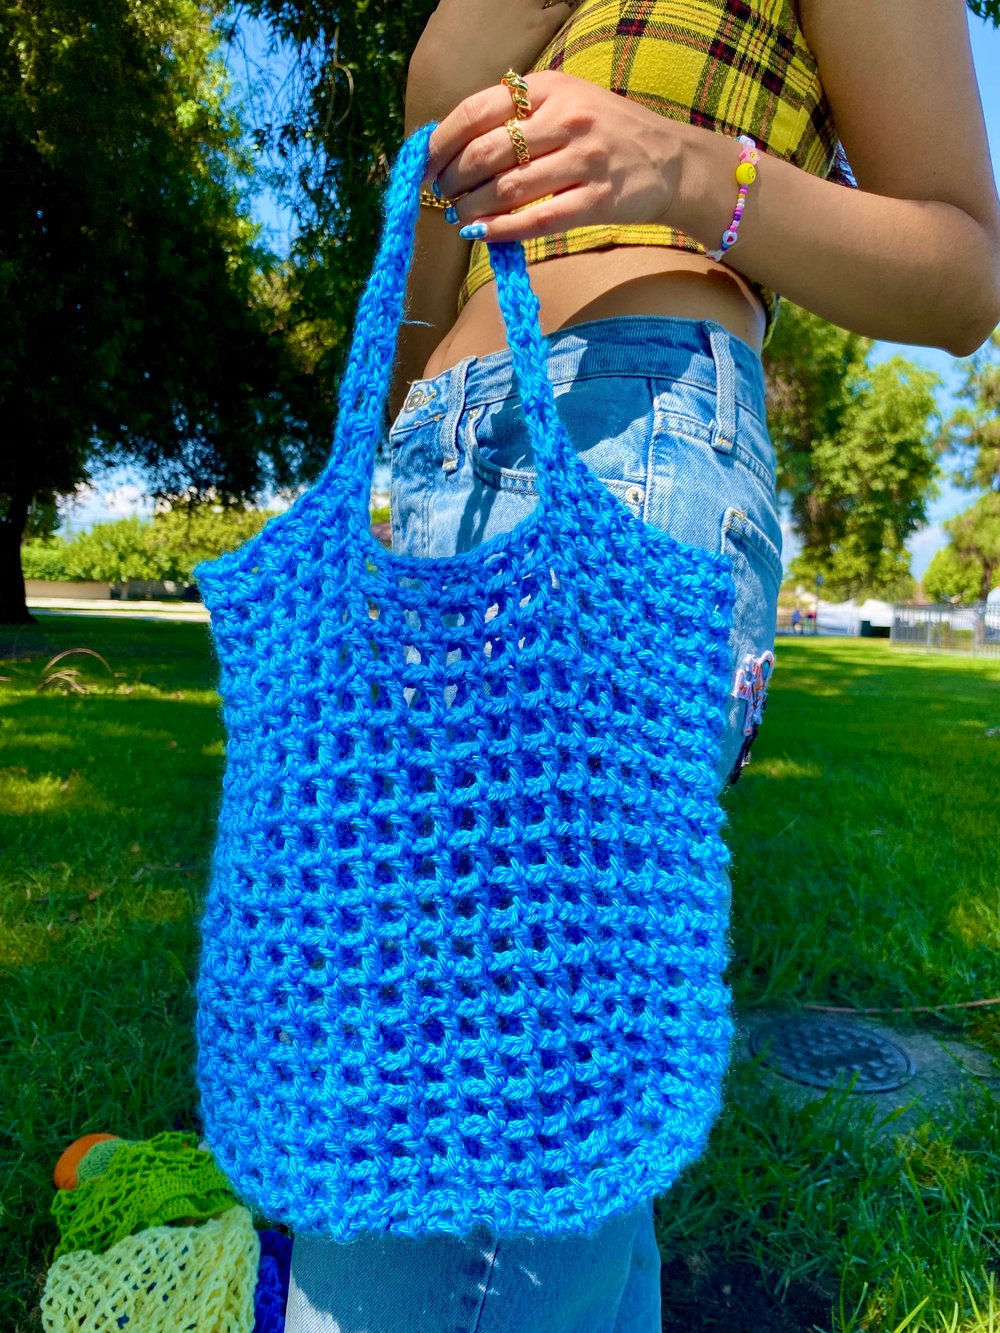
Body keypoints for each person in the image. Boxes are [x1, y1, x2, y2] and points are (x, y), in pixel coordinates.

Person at [285, 2, 1000, 1328]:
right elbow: (438, 195)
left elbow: (966, 272)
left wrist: (683, 171)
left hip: (634, 431)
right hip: (446, 453)